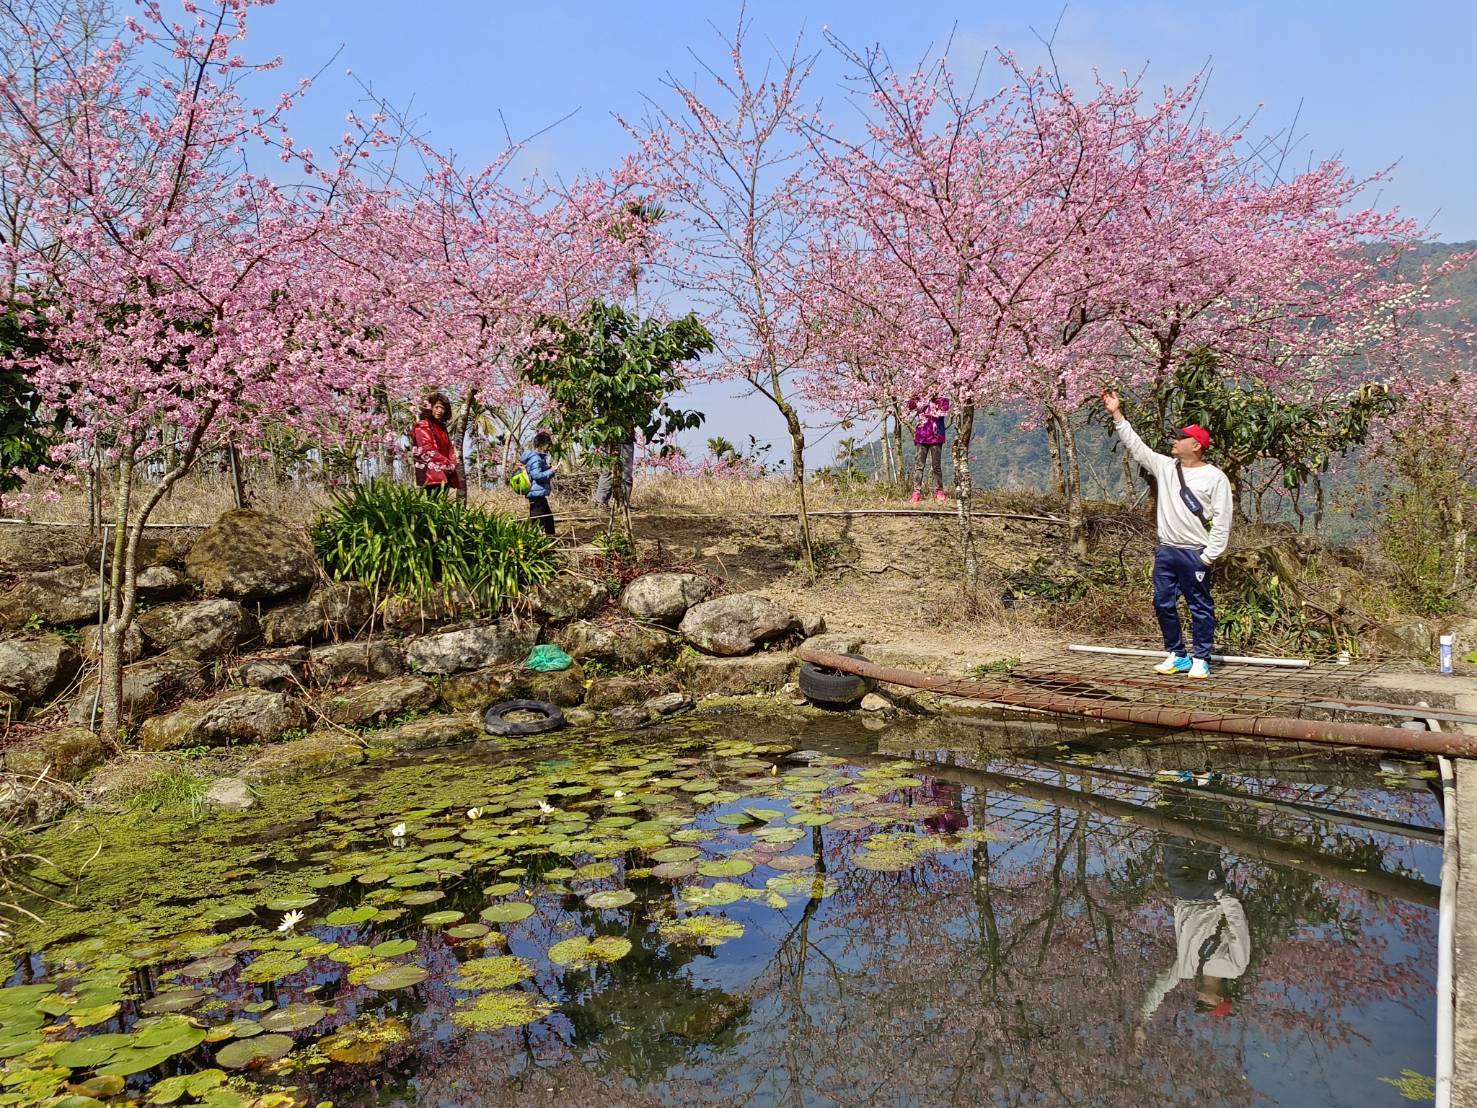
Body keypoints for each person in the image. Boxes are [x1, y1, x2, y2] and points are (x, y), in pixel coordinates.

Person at [1102, 389, 1233, 680]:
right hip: (1167, 550)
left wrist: (1210, 556)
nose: (1174, 441)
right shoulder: (1166, 467)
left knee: (1199, 605)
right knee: (1163, 603)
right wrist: (1116, 414)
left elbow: (1223, 519)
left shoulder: (1214, 477)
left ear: (1196, 445)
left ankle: (1201, 657)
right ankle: (1177, 654)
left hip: (1194, 551)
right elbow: (1137, 448)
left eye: (1180, 438)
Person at [1133, 784, 1250, 1049]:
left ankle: (1172, 790)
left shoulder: (1186, 969)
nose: (1198, 998)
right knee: (1207, 846)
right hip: (1209, 895)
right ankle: (1208, 786)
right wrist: (1223, 895)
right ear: (1220, 999)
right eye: (1204, 1003)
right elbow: (1238, 925)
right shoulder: (1235, 967)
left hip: (1183, 896)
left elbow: (1160, 987)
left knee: (1174, 843)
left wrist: (1143, 1020)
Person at [410, 393, 460, 496]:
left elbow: (449, 447)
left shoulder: (442, 427)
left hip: (446, 470)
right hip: (431, 472)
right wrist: (446, 462)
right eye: (437, 407)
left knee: (443, 501)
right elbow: (426, 448)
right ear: (430, 408)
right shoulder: (423, 424)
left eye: (443, 408)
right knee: (433, 501)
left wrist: (452, 463)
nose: (440, 410)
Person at [907, 396, 950, 503]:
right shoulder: (919, 397)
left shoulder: (942, 398)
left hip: (936, 436)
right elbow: (910, 406)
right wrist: (916, 396)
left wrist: (935, 400)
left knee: (936, 466)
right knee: (919, 466)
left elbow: (944, 410)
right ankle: (916, 492)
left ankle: (939, 491)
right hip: (921, 436)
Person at [518, 430, 559, 536]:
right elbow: (537, 476)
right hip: (536, 494)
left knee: (547, 518)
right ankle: (538, 540)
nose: (549, 447)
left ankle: (549, 538)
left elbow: (539, 472)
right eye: (548, 444)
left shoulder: (537, 458)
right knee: (539, 519)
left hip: (537, 493)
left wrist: (549, 469)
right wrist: (551, 471)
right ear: (542, 445)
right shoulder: (536, 459)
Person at [594, 435, 636, 509]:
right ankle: (601, 503)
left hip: (626, 441)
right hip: (608, 441)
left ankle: (624, 505)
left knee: (626, 474)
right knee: (607, 472)